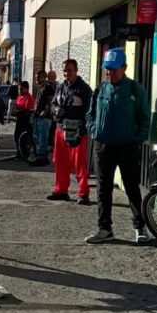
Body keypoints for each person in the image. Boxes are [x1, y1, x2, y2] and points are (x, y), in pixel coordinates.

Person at [84, 48, 152, 244]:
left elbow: (144, 118)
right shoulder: (100, 89)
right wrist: (94, 130)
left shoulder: (135, 90)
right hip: (103, 145)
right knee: (103, 189)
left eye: (113, 69)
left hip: (127, 147)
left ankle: (140, 227)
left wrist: (136, 139)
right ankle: (104, 229)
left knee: (132, 187)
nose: (109, 73)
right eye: (107, 69)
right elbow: (90, 114)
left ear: (124, 68)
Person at [47, 59, 94, 204]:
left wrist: (83, 128)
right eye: (65, 71)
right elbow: (53, 103)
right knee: (60, 161)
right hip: (61, 129)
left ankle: (83, 193)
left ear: (76, 70)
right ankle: (61, 190)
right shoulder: (60, 87)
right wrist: (55, 110)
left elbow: (90, 110)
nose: (67, 73)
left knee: (79, 163)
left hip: (78, 130)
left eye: (70, 70)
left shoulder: (84, 89)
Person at [31, 71, 57, 165]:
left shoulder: (48, 87)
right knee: (38, 137)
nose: (36, 79)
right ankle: (42, 157)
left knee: (42, 137)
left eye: (38, 77)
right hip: (39, 115)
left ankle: (42, 158)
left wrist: (45, 112)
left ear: (43, 77)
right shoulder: (41, 87)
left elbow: (50, 101)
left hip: (45, 117)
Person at [12, 81, 35, 158]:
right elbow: (16, 107)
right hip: (19, 120)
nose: (19, 91)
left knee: (24, 138)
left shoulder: (29, 97)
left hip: (26, 121)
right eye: (18, 89)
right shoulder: (19, 97)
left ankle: (24, 154)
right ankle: (19, 153)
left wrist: (20, 111)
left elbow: (28, 110)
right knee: (16, 136)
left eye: (21, 89)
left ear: (26, 89)